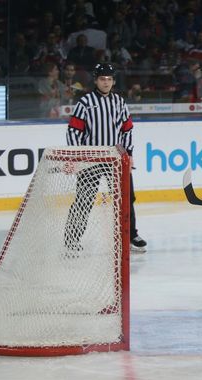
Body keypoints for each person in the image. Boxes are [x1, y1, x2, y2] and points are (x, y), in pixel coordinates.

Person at [65, 62, 147, 253]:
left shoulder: (119, 102)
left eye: (109, 79)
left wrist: (129, 154)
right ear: (96, 80)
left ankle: (130, 235)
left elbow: (127, 129)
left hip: (115, 159)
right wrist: (78, 156)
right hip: (91, 159)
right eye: (102, 79)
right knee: (84, 199)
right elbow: (74, 131)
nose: (106, 83)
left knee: (127, 198)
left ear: (113, 81)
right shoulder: (85, 102)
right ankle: (71, 240)